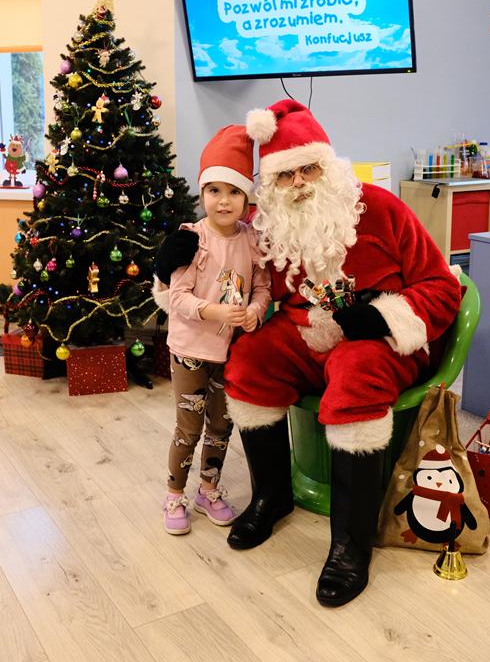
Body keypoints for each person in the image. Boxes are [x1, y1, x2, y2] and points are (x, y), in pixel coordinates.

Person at [161, 99, 462, 607]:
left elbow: (441, 285)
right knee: (250, 362)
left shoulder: (381, 209)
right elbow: (221, 261)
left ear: (330, 166)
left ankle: (351, 543)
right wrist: (168, 265)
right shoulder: (270, 226)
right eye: (285, 175)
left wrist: (383, 317)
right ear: (271, 185)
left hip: (380, 339)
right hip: (306, 331)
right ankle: (271, 496)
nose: (299, 183)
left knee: (355, 372)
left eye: (309, 169)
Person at [152, 123, 271, 536]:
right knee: (189, 429)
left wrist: (255, 311)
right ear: (202, 193)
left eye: (234, 191)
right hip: (189, 351)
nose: (224, 201)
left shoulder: (251, 239)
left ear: (247, 197)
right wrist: (215, 312)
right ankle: (174, 495)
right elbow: (177, 298)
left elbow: (262, 287)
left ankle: (208, 490)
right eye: (215, 190)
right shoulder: (191, 239)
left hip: (230, 353)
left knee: (221, 426)